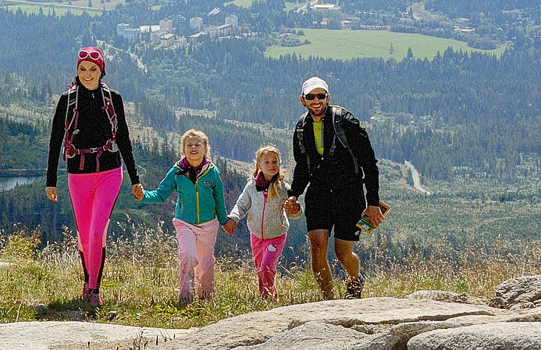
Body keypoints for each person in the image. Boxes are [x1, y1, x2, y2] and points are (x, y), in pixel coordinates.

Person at [46, 46, 142, 308]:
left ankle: (94, 290)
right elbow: (56, 140)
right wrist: (51, 181)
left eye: (93, 69)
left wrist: (135, 178)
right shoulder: (67, 100)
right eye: (82, 69)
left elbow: (123, 139)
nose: (87, 74)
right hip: (78, 175)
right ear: (77, 71)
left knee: (97, 232)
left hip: (110, 173)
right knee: (84, 235)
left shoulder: (113, 99)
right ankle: (88, 279)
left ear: (102, 71)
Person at [282, 76, 383, 299]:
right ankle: (328, 302)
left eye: (320, 96)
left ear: (328, 97)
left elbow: (369, 162)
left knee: (342, 252)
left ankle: (355, 281)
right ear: (303, 100)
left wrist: (373, 202)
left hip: (349, 194)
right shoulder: (301, 128)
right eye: (311, 97)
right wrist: (294, 194)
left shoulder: (345, 121)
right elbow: (302, 166)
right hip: (318, 194)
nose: (316, 100)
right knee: (317, 247)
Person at [136, 129, 225, 305]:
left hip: (208, 225)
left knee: (206, 263)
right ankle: (185, 295)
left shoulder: (213, 172)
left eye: (197, 144)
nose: (193, 147)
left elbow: (219, 200)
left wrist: (224, 221)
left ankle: (207, 296)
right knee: (188, 255)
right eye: (189, 145)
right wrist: (143, 195)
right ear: (183, 149)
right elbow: (161, 194)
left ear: (205, 149)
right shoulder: (176, 172)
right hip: (185, 223)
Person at [223, 144, 296, 298]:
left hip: (276, 236)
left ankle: (269, 298)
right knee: (260, 269)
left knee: (267, 267)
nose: (271, 165)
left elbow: (295, 211)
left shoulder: (284, 188)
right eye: (267, 162)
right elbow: (241, 205)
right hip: (256, 235)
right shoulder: (252, 186)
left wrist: (294, 209)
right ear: (259, 166)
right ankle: (267, 296)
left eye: (275, 162)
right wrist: (233, 218)